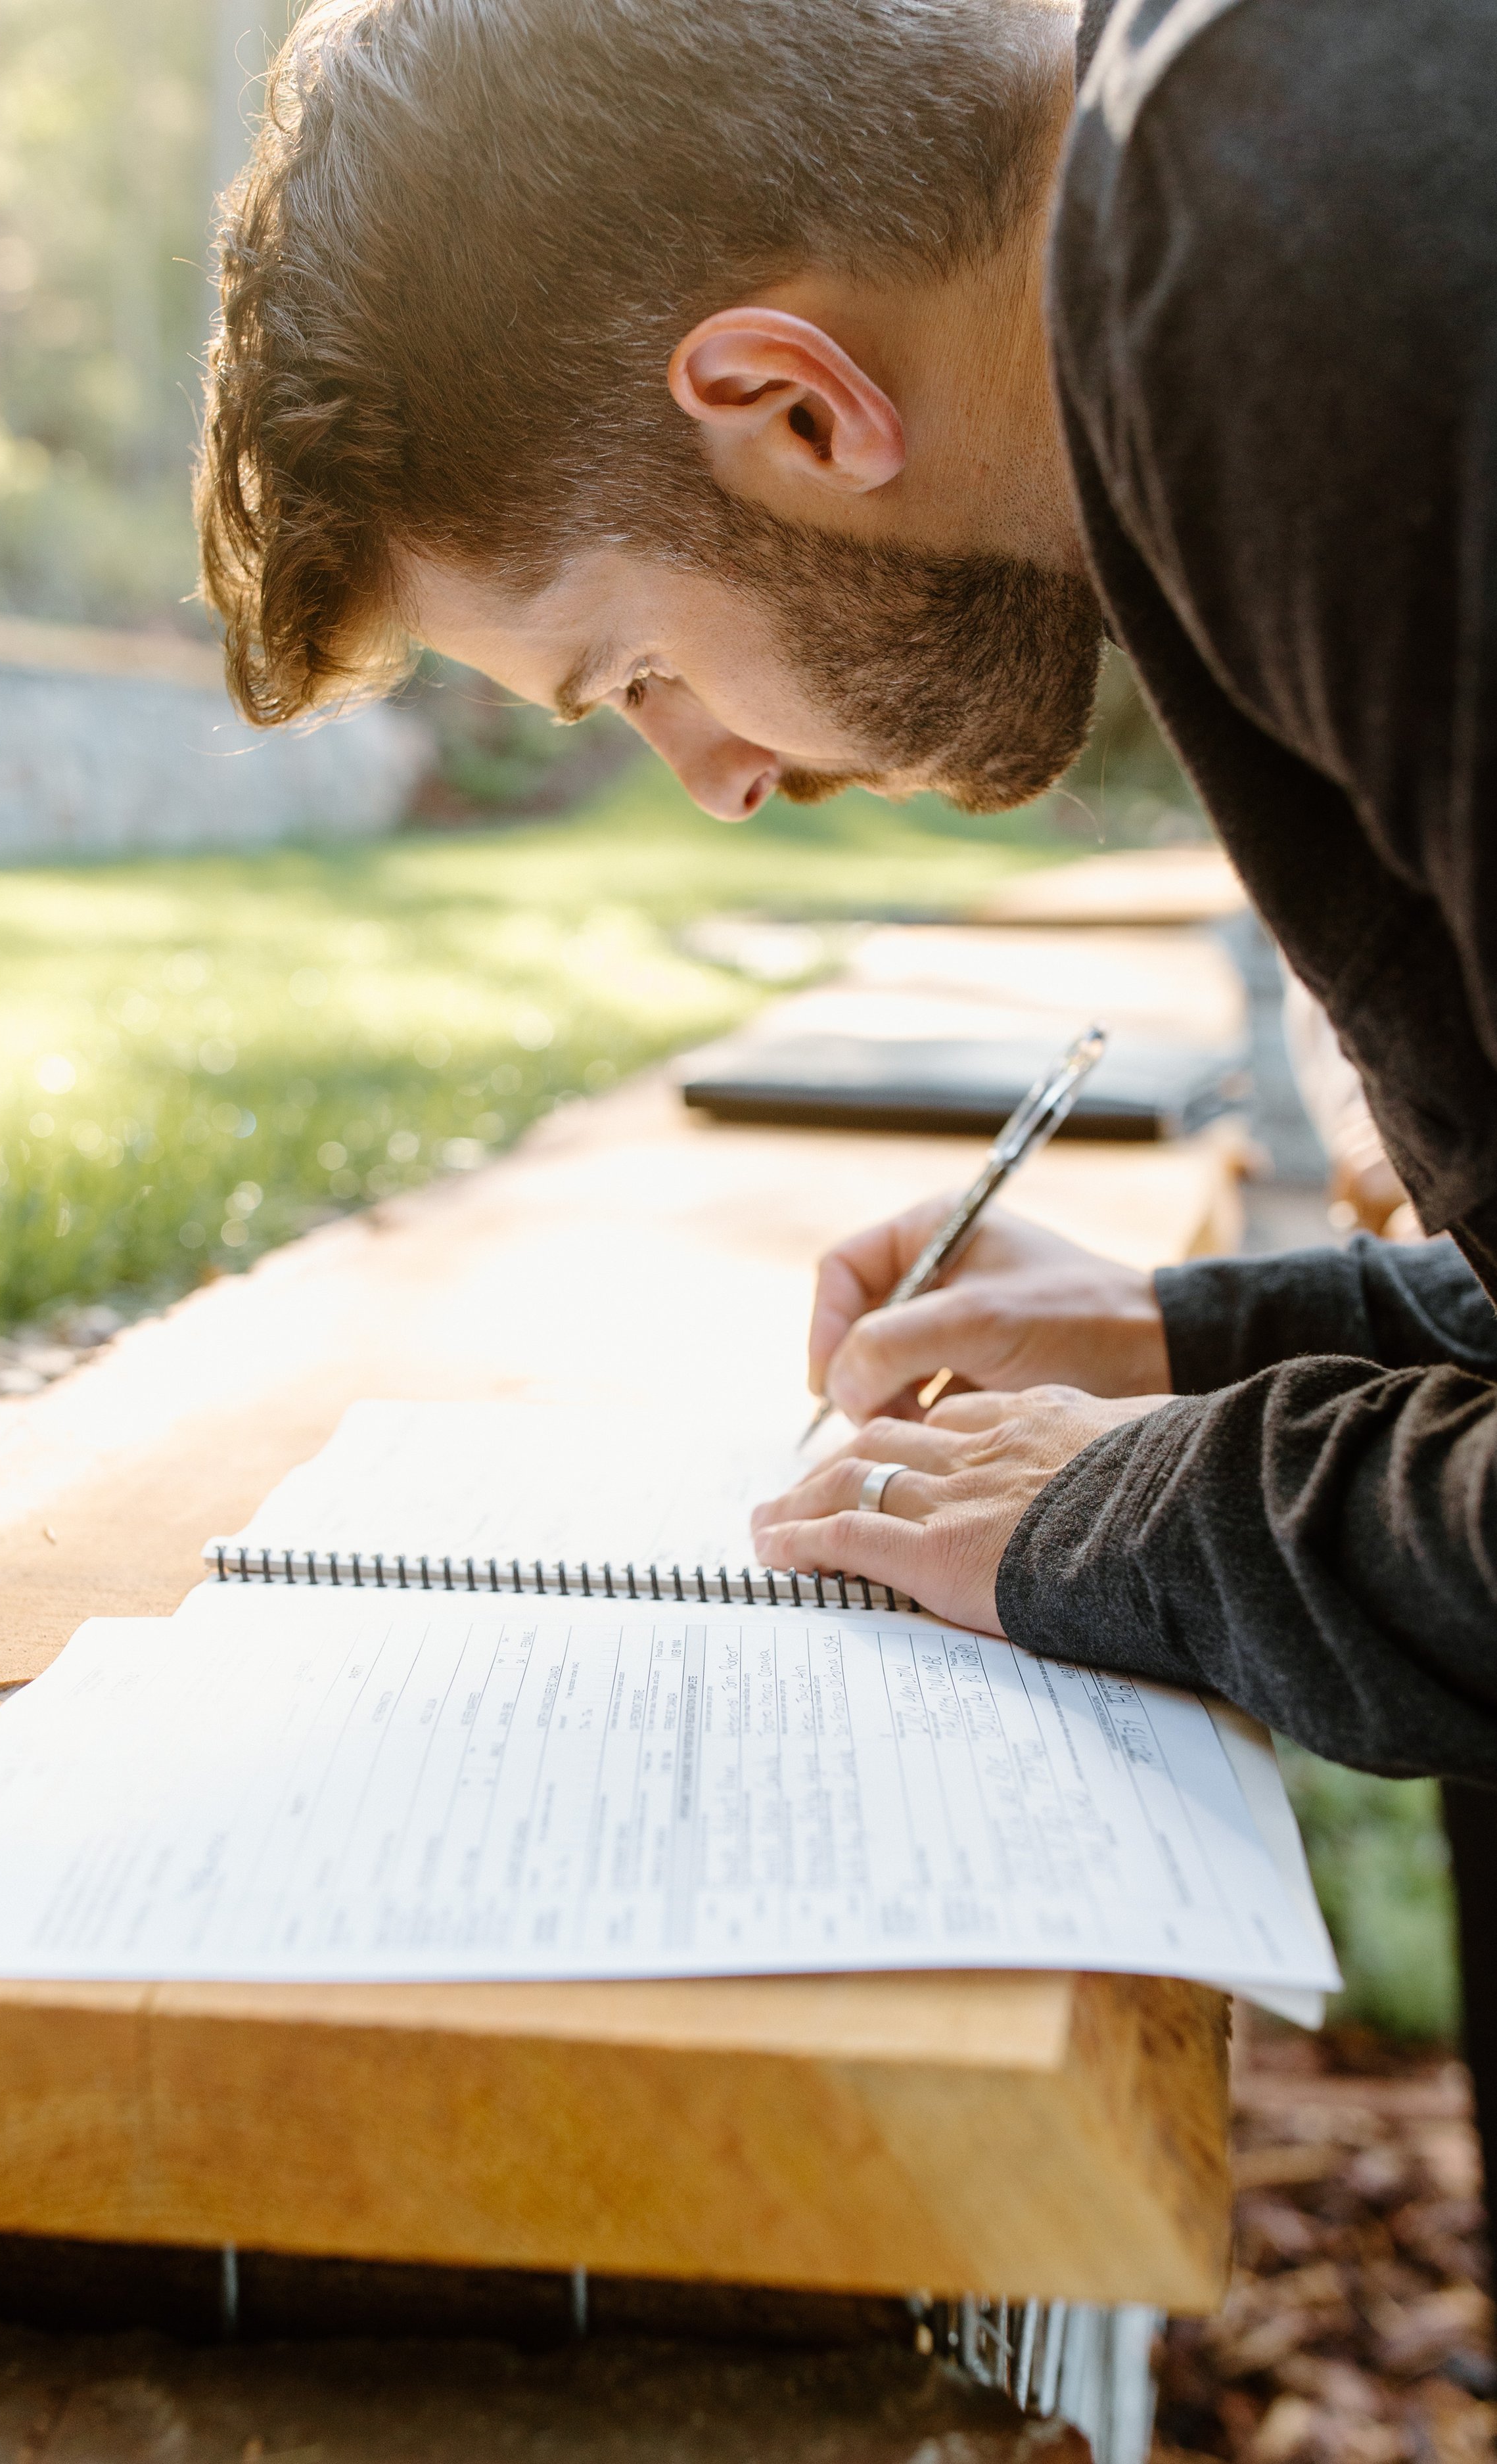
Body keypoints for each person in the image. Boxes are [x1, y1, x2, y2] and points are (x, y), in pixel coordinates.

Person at [196, 0, 1495, 2178]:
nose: (709, 781)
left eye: (634, 672)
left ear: (791, 402)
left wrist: (1131, 1514)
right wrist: (1205, 1333)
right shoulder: (1260, 197)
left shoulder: (1296, 272)